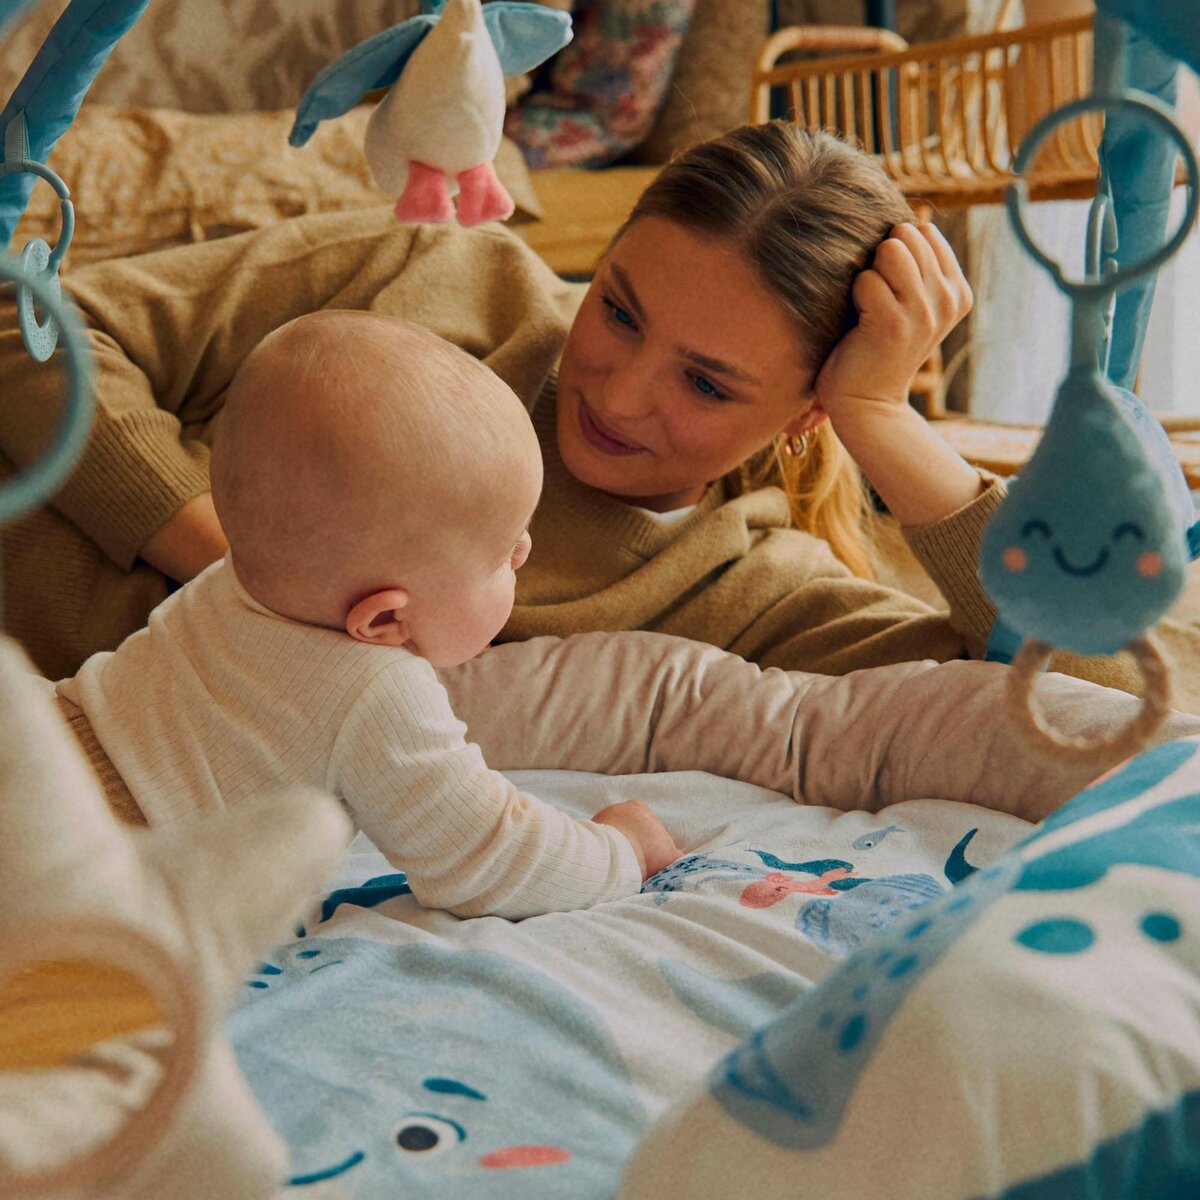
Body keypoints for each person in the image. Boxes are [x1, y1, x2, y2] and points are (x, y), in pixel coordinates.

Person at [2, 121, 1195, 699]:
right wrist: (225, 554)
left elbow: (1129, 699)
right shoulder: (436, 274)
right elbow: (23, 317)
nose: (618, 393)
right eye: (618, 309)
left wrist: (884, 419)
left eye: (707, 383)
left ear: (804, 412)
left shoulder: (740, 588)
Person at [51, 310, 679, 920]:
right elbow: (491, 856)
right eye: (502, 554)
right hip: (101, 869)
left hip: (47, 745)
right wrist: (622, 850)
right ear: (381, 623)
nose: (525, 551)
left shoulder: (234, 580)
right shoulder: (377, 692)